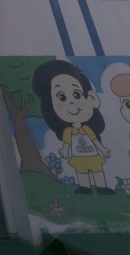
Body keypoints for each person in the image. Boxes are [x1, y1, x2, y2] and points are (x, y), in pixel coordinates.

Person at [32, 60, 113, 194]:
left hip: (92, 155)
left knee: (97, 170)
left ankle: (102, 187)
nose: (71, 102)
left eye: (76, 94)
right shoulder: (68, 131)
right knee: (81, 171)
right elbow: (67, 143)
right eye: (62, 97)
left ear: (91, 98)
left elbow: (94, 140)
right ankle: (84, 187)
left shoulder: (87, 129)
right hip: (78, 156)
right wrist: (65, 150)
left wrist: (103, 149)